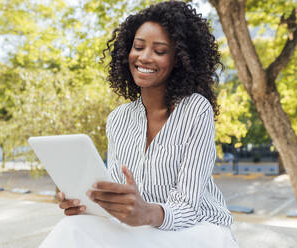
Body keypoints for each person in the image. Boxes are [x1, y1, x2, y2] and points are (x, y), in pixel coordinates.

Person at [40, 1, 238, 247]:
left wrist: (146, 213)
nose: (144, 57)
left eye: (160, 51)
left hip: (198, 229)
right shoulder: (118, 119)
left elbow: (188, 206)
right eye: (139, 47)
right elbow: (119, 192)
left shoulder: (196, 109)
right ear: (127, 51)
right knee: (72, 227)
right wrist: (88, 202)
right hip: (143, 229)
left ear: (179, 59)